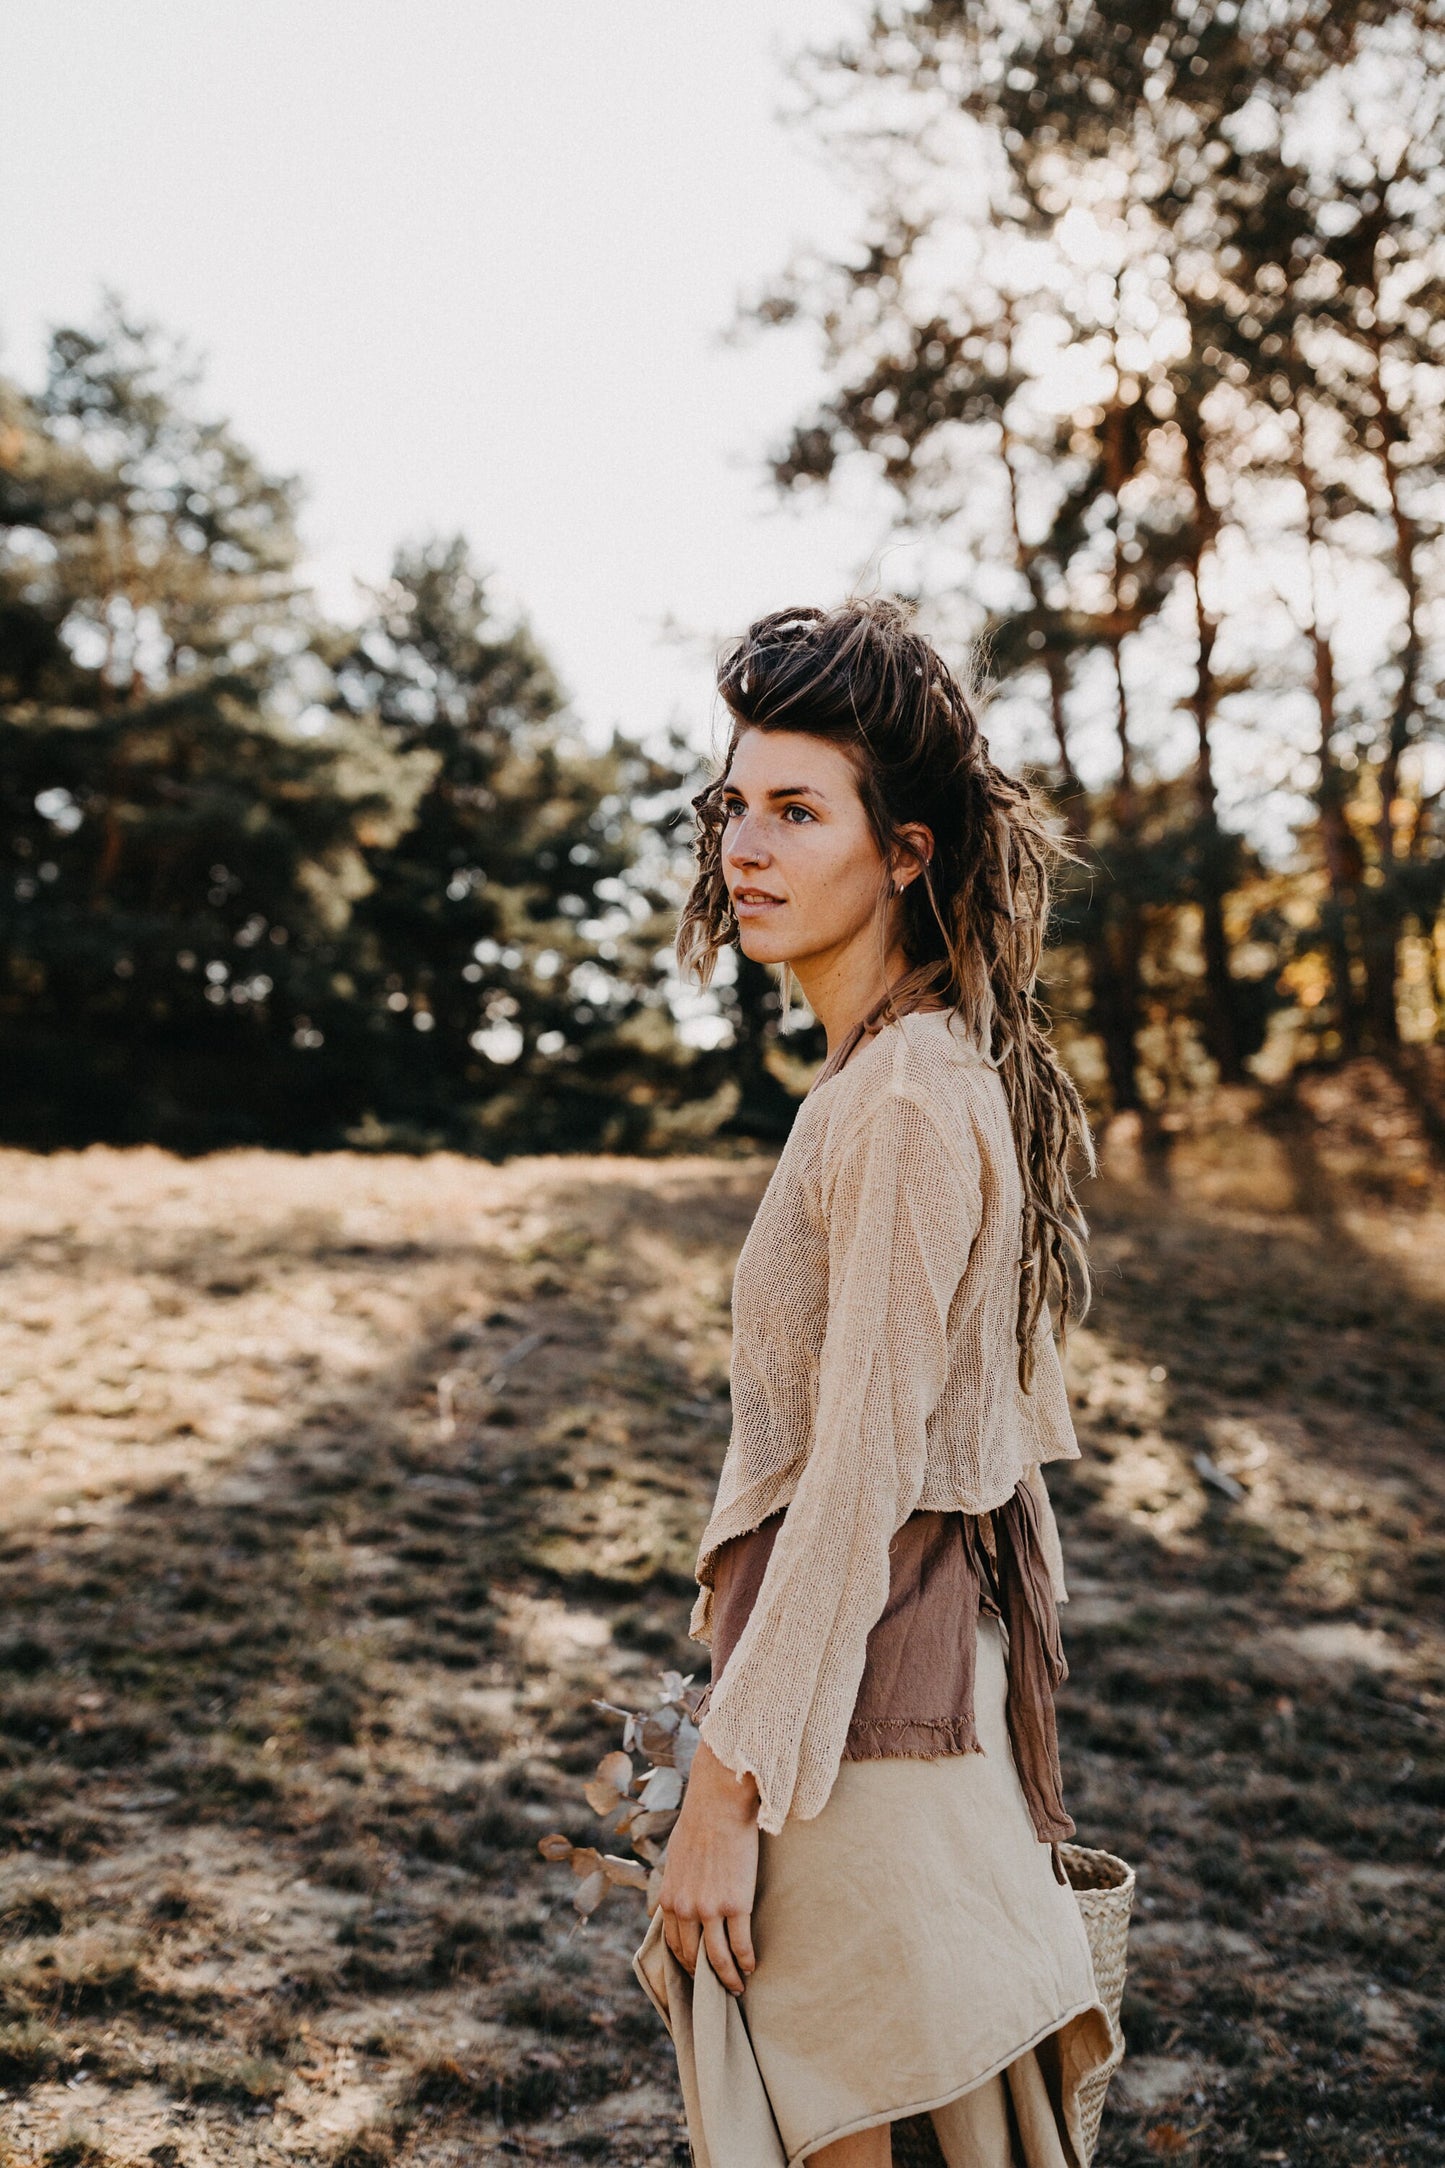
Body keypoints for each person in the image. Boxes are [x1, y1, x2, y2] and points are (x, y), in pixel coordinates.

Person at [632, 598, 1116, 2168]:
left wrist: (726, 1787)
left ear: (902, 852)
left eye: (794, 811)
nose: (743, 851)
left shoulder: (902, 1101)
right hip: (851, 1691)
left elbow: (859, 1479)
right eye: (732, 809)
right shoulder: (885, 1075)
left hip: (854, 1738)